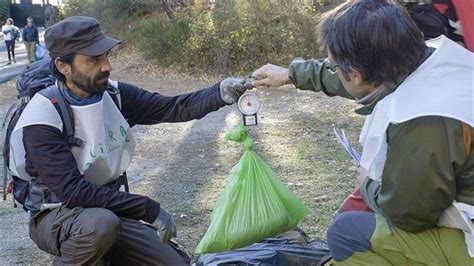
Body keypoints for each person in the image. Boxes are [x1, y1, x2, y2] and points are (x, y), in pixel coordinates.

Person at [8, 16, 249, 265]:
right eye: (94, 60)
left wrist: (220, 92)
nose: (107, 66)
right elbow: (73, 192)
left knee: (173, 262)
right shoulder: (43, 114)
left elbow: (173, 107)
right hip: (57, 214)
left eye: (106, 56)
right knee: (99, 227)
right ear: (63, 66)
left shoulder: (113, 94)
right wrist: (148, 208)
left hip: (109, 210)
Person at [252, 0, 473, 264]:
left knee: (346, 234)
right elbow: (356, 80)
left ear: (355, 74)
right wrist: (290, 74)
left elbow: (409, 214)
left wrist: (369, 184)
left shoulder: (423, 119)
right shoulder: (429, 56)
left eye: (335, 65)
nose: (334, 70)